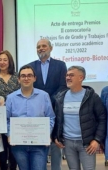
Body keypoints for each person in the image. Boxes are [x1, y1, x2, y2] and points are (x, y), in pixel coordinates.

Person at [53, 66, 107, 169]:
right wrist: (56, 137)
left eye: (71, 75)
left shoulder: (92, 97)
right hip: (67, 143)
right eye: (67, 75)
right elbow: (57, 119)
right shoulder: (60, 97)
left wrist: (97, 140)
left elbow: (102, 119)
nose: (68, 78)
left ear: (81, 78)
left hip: (87, 143)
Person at [6, 65, 55, 170]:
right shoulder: (10, 98)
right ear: (18, 79)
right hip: (18, 144)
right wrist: (9, 134)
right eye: (23, 76)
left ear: (34, 78)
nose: (26, 78)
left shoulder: (44, 96)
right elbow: (6, 120)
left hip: (39, 144)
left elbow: (51, 117)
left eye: (29, 75)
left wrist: (47, 133)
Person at [28, 38, 67, 170]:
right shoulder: (31, 67)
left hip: (55, 108)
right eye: (38, 46)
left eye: (44, 46)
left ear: (51, 48)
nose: (41, 48)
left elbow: (63, 86)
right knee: (39, 143)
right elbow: (29, 88)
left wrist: (48, 100)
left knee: (55, 143)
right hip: (36, 111)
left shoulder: (61, 65)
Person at [0, 50, 19, 170]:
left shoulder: (17, 77)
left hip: (15, 118)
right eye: (0, 60)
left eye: (5, 60)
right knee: (2, 152)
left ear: (10, 62)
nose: (2, 62)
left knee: (14, 150)